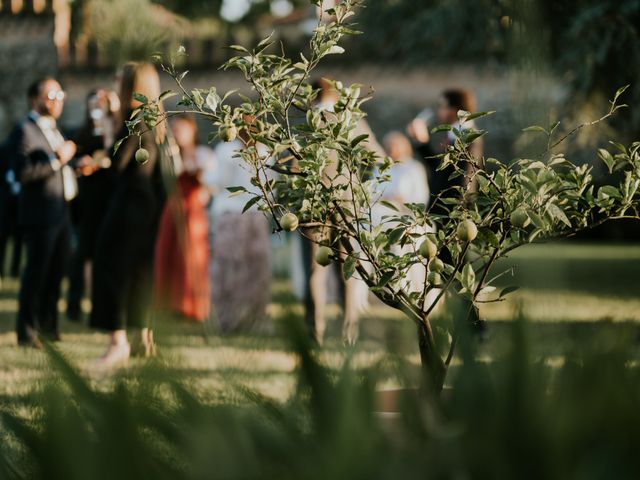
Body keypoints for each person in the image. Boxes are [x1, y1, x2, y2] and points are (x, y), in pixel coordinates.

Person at [90, 62, 166, 366]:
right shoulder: (157, 117)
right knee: (140, 273)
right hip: (149, 207)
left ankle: (117, 343)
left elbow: (117, 162)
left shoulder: (134, 119)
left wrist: (110, 126)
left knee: (112, 269)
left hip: (128, 206)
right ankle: (144, 338)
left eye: (119, 79)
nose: (114, 84)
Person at [301, 78, 386, 345]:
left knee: (315, 271)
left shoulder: (303, 123)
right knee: (349, 267)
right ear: (336, 96)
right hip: (346, 203)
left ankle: (315, 332)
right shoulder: (348, 119)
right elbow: (378, 156)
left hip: (312, 202)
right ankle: (349, 332)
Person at [6, 77, 77, 346]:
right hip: (40, 214)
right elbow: (22, 173)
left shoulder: (54, 130)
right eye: (51, 95)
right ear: (34, 99)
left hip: (61, 212)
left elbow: (57, 166)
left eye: (60, 95)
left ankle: (49, 327)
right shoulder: (25, 131)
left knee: (57, 272)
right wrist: (58, 159)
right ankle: (26, 332)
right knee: (36, 273)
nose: (57, 101)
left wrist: (74, 164)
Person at [207, 127, 271, 333]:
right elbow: (272, 188)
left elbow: (219, 181)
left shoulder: (226, 150)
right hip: (256, 214)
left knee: (229, 268)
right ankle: (253, 320)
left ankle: (228, 319)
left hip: (231, 215)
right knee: (254, 269)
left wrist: (205, 177)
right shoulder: (266, 152)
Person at [154, 114, 215, 322]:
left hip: (193, 212)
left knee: (191, 257)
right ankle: (168, 305)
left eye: (182, 129)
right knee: (169, 254)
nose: (178, 133)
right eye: (175, 129)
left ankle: (191, 305)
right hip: (172, 210)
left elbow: (209, 187)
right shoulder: (169, 155)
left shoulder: (202, 154)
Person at [66, 89, 120, 321]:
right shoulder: (82, 132)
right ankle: (73, 305)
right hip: (88, 201)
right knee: (82, 253)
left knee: (105, 254)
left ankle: (100, 304)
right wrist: (83, 163)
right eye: (93, 103)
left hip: (109, 198)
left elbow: (114, 153)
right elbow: (73, 159)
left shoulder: (115, 129)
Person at [407, 88, 482, 210]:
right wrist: (421, 142)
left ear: (455, 110)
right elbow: (439, 169)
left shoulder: (469, 137)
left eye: (442, 106)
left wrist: (456, 214)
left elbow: (465, 180)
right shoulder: (454, 135)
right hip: (443, 210)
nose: (439, 111)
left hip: (454, 213)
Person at [0, 139, 23, 285]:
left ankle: (15, 270)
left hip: (21, 204)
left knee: (19, 240)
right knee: (2, 238)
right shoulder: (4, 151)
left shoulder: (25, 152)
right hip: (5, 204)